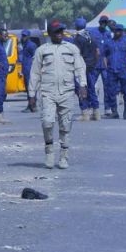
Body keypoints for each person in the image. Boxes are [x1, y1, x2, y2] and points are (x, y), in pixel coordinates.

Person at [28, 21, 86, 169]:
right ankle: (49, 153)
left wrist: (83, 86)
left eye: (61, 31)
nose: (60, 34)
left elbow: (80, 68)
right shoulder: (42, 50)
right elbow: (34, 73)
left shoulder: (71, 48)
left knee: (65, 125)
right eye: (56, 31)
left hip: (67, 92)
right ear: (50, 33)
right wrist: (32, 94)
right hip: (48, 92)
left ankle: (64, 157)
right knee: (47, 122)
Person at [103, 23, 126, 120]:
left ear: (122, 31)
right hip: (111, 71)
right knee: (111, 92)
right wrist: (106, 66)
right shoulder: (109, 42)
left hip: (123, 71)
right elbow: (104, 55)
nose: (117, 32)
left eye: (119, 30)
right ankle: (114, 112)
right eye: (115, 30)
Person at [71, 18, 101, 120]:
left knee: (81, 89)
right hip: (91, 66)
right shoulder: (91, 36)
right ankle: (96, 113)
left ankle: (85, 113)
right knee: (92, 89)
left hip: (81, 67)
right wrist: (94, 63)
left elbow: (76, 54)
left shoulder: (78, 38)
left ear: (76, 26)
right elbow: (97, 52)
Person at [93, 15, 114, 117]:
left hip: (105, 64)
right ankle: (92, 107)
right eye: (102, 22)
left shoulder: (108, 34)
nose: (103, 24)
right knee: (91, 85)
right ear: (99, 22)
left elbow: (110, 49)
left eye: (105, 23)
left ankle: (107, 108)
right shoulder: (94, 33)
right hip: (95, 63)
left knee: (107, 86)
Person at [19, 30, 37, 112]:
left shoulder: (31, 45)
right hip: (26, 69)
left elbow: (35, 57)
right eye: (22, 35)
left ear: (28, 36)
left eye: (25, 36)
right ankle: (31, 105)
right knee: (28, 88)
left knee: (31, 88)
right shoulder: (24, 45)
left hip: (30, 70)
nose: (23, 37)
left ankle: (32, 106)